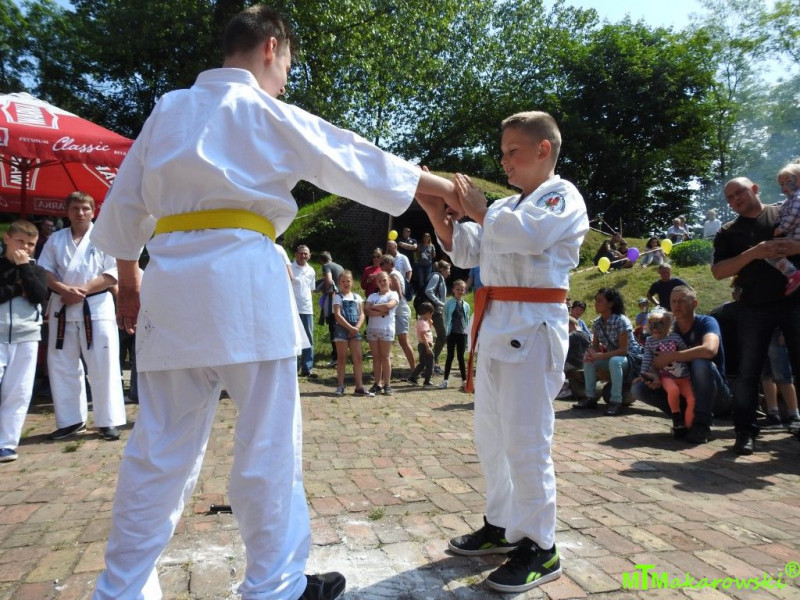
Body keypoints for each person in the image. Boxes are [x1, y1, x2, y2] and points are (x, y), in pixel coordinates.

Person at [87, 5, 457, 599]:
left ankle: (119, 589)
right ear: (270, 48)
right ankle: (275, 587)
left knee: (158, 450)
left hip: (171, 284)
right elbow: (347, 155)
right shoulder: (263, 109)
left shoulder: (170, 109)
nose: (285, 78)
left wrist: (130, 277)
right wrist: (442, 188)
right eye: (286, 64)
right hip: (245, 285)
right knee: (268, 445)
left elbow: (125, 204)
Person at [416, 110, 589, 593]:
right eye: (502, 152)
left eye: (513, 151)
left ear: (543, 149)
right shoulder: (510, 205)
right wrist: (435, 210)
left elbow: (527, 236)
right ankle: (502, 523)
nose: (505, 160)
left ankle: (540, 544)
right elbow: (468, 251)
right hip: (495, 329)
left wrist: (479, 209)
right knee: (491, 435)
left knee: (526, 439)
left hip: (533, 328)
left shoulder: (561, 196)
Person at [711, 176, 800, 455]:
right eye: (730, 198)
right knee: (749, 373)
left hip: (794, 302)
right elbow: (719, 272)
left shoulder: (783, 212)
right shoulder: (728, 231)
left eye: (739, 192)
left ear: (755, 189)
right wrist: (754, 253)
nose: (735, 199)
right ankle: (745, 432)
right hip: (753, 308)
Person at [39, 191, 125, 442]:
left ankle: (108, 420)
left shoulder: (105, 237)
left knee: (103, 364)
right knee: (62, 366)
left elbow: (112, 272)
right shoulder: (56, 239)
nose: (80, 213)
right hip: (62, 306)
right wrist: (63, 289)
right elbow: (44, 270)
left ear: (93, 211)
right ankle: (71, 421)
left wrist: (82, 290)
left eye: (85, 208)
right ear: (67, 211)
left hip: (95, 306)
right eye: (75, 208)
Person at [632, 286, 732, 445]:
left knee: (700, 362)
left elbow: (710, 350)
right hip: (681, 388)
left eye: (682, 301)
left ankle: (702, 424)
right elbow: (655, 358)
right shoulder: (667, 327)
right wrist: (652, 374)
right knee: (639, 389)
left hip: (716, 396)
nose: (677, 305)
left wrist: (673, 356)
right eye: (673, 301)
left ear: (694, 303)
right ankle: (681, 419)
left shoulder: (706, 322)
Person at [0, 221, 49, 463]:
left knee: (18, 392)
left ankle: (7, 444)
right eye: (20, 241)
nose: (25, 247)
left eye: (31, 244)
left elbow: (39, 295)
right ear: (6, 239)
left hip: (27, 336)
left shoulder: (36, 270)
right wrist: (18, 289)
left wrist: (24, 269)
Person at [573, 288, 641, 416]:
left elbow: (623, 350)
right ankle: (590, 397)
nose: (596, 303)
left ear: (611, 303)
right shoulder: (597, 323)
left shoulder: (621, 321)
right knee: (589, 360)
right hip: (613, 357)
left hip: (630, 359)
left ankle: (616, 402)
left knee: (615, 361)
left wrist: (601, 355)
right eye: (596, 300)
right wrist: (590, 353)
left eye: (600, 301)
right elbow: (595, 346)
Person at [636, 310, 695, 437]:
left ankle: (689, 427)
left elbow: (686, 352)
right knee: (673, 390)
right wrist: (642, 374)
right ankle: (676, 417)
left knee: (692, 398)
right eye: (651, 325)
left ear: (668, 325)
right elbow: (647, 359)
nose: (655, 329)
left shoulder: (675, 338)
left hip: (683, 376)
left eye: (659, 324)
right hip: (666, 376)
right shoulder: (650, 341)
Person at [331, 271, 373, 397]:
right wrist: (350, 328)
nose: (346, 283)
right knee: (342, 358)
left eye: (348, 281)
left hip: (355, 329)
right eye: (343, 281)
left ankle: (359, 387)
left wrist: (357, 327)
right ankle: (340, 386)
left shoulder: (357, 297)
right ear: (339, 283)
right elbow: (338, 315)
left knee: (358, 358)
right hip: (341, 329)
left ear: (352, 282)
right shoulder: (337, 297)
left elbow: (362, 314)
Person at [765, 163, 800, 295]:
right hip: (792, 235)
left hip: (796, 237)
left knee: (769, 251)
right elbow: (780, 209)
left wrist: (780, 229)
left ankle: (794, 274)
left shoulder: (798, 197)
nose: (784, 187)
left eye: (788, 182)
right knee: (770, 253)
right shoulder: (790, 199)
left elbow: (795, 215)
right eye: (781, 184)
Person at [365, 270, 399, 396]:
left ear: (389, 281)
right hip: (373, 329)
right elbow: (366, 310)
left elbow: (389, 306)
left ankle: (387, 384)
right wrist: (380, 311)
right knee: (376, 357)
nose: (382, 283)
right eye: (379, 281)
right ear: (376, 283)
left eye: (384, 280)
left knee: (385, 357)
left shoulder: (393, 294)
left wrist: (374, 308)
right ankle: (377, 383)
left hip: (386, 328)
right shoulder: (372, 296)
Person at [380, 254, 416, 373]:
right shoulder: (394, 274)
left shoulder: (393, 275)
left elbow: (399, 295)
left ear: (389, 264)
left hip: (400, 311)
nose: (381, 266)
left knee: (404, 341)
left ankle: (414, 370)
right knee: (393, 340)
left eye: (382, 264)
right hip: (397, 311)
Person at [759, 328, 800, 430]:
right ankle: (773, 415)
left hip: (777, 332)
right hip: (760, 331)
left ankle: (794, 416)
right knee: (766, 375)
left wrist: (784, 332)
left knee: (783, 376)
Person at [291, 245, 317, 378]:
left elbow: (311, 289)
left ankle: (307, 367)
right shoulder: (289, 268)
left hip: (307, 308)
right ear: (296, 254)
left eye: (306, 254)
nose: (303, 256)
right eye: (301, 253)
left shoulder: (311, 270)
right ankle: (293, 368)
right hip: (292, 308)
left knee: (308, 338)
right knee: (293, 338)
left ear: (309, 255)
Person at [440, 278, 470, 391]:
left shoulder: (466, 305)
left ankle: (464, 381)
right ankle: (445, 380)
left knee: (461, 357)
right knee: (450, 356)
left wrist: (467, 331)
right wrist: (446, 330)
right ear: (453, 290)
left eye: (462, 290)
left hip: (462, 333)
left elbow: (466, 318)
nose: (460, 292)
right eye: (458, 289)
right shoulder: (449, 303)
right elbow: (445, 316)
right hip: (452, 333)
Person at [423, 260, 450, 373]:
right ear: (442, 269)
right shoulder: (436, 276)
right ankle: (431, 362)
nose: (449, 272)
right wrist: (439, 303)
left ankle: (432, 362)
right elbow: (428, 291)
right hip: (434, 311)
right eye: (448, 270)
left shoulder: (440, 278)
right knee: (443, 336)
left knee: (440, 336)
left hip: (437, 311)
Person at [318, 251, 343, 367]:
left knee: (333, 327)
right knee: (339, 327)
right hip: (342, 298)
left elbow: (328, 280)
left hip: (333, 299)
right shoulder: (339, 266)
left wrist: (325, 290)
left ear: (321, 260)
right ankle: (341, 355)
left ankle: (336, 357)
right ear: (331, 258)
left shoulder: (326, 266)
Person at [407, 301, 435, 386]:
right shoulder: (423, 323)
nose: (431, 316)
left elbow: (427, 331)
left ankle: (412, 377)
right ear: (427, 313)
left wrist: (430, 323)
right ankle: (427, 381)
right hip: (425, 345)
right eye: (431, 314)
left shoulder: (422, 321)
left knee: (422, 363)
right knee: (430, 363)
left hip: (423, 345)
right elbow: (423, 335)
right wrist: (428, 347)